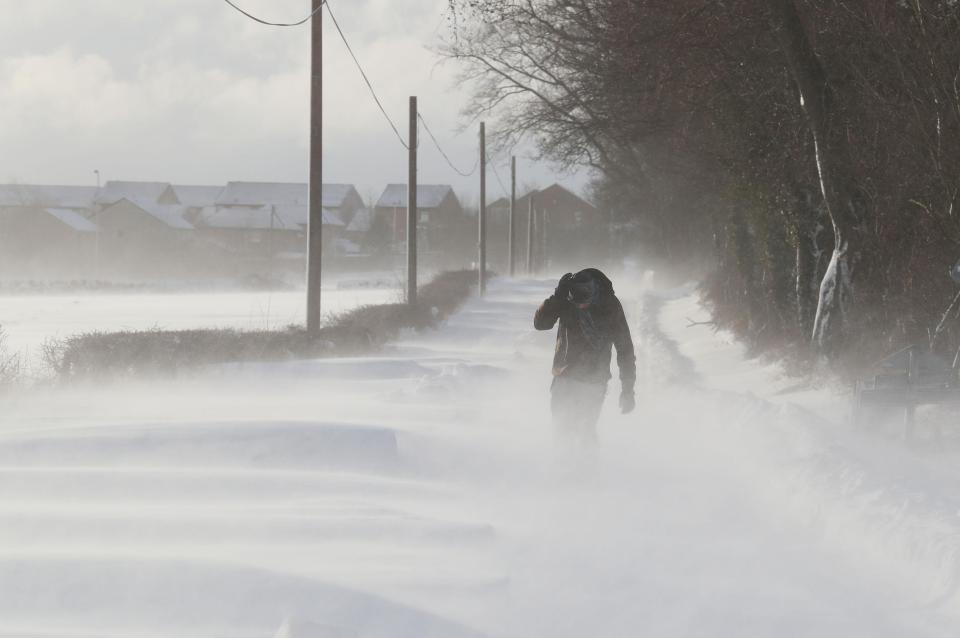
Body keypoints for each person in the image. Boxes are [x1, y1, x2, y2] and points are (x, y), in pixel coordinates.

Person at [534, 268, 636, 441]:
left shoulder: (610, 305)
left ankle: (587, 466)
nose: (580, 306)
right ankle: (561, 466)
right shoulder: (565, 299)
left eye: (584, 302)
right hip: (564, 377)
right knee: (561, 431)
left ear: (594, 291)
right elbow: (540, 324)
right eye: (576, 303)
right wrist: (557, 297)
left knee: (585, 433)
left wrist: (628, 390)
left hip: (594, 382)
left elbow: (625, 349)